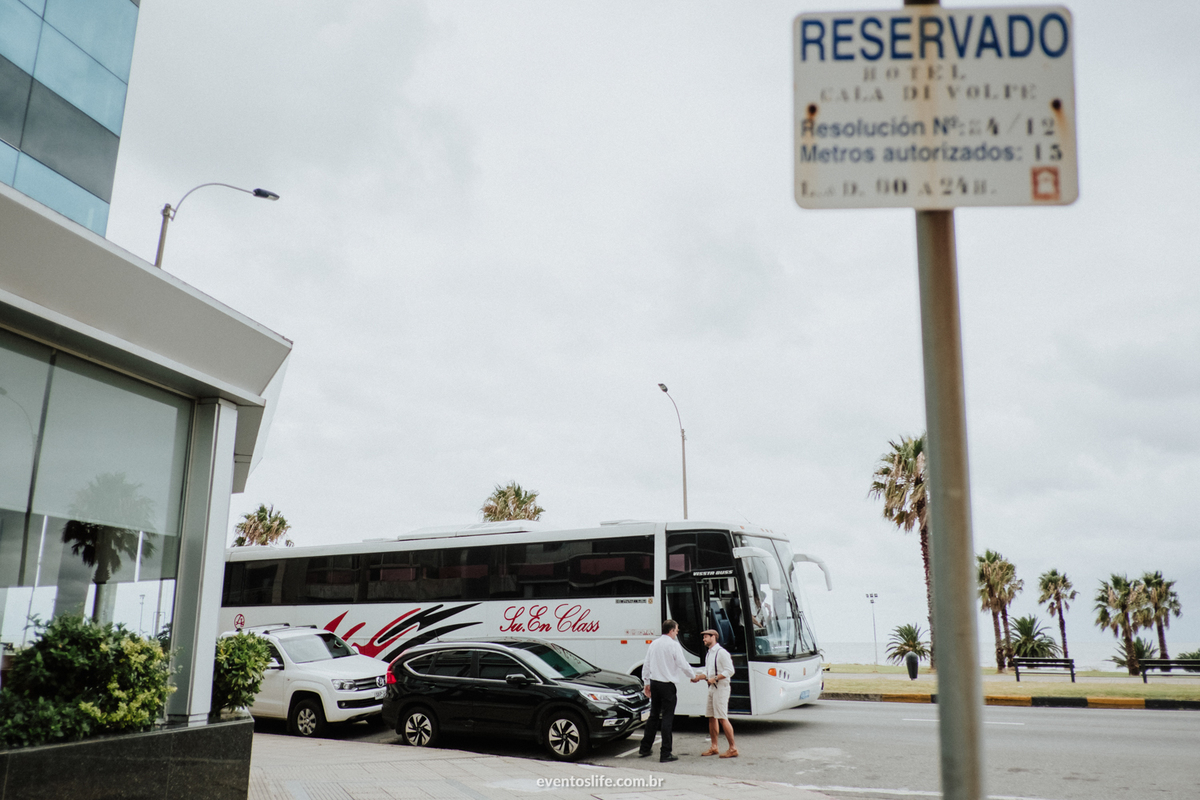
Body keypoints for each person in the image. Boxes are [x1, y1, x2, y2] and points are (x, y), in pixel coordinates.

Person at [638, 619, 702, 763]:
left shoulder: (654, 644)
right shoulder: (673, 645)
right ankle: (665, 753)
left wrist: (646, 682)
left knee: (653, 716)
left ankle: (645, 747)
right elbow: (682, 664)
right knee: (667, 718)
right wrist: (693, 676)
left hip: (654, 683)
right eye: (677, 630)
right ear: (671, 630)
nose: (677, 633)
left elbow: (646, 664)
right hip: (667, 685)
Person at [698, 628, 738, 758]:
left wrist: (715, 678)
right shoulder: (709, 653)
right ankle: (714, 747)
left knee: (722, 717)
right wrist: (699, 677)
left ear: (713, 637)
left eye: (706, 637)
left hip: (721, 688)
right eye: (703, 637)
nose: (703, 639)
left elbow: (730, 670)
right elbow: (707, 670)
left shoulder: (722, 653)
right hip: (712, 688)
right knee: (711, 717)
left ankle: (733, 748)